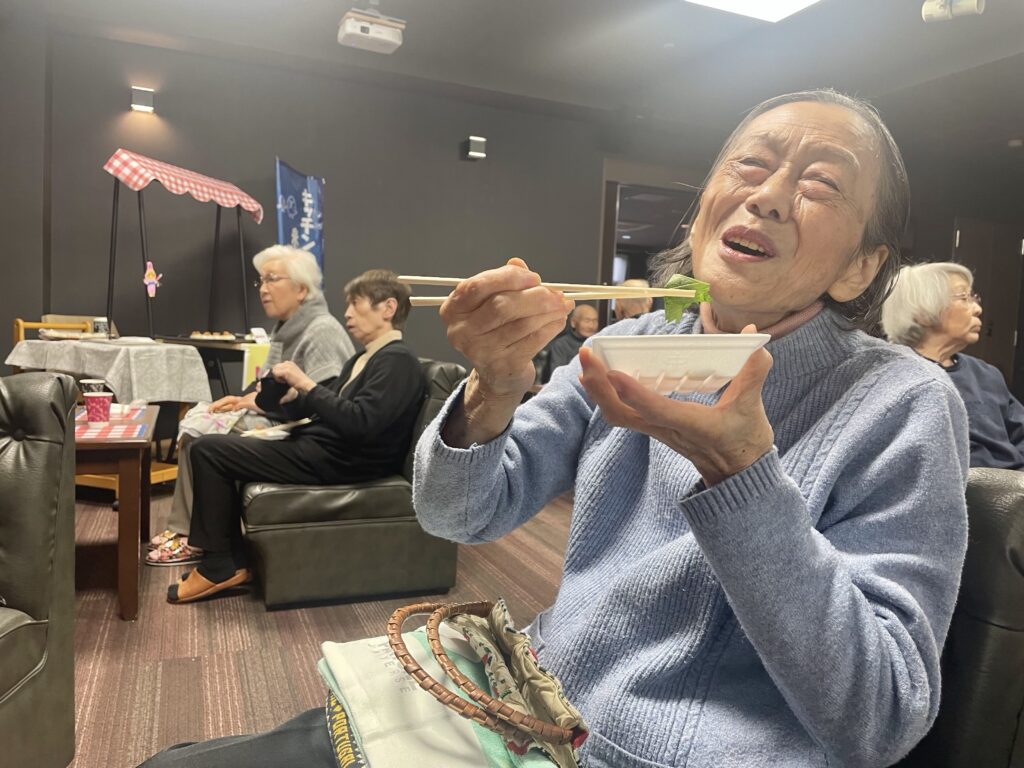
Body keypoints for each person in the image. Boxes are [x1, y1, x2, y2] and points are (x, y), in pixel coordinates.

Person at [137, 90, 969, 768]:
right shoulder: (625, 347)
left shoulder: (901, 401)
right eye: (750, 164)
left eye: (821, 184)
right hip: (521, 701)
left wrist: (744, 474)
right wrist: (495, 388)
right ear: (705, 209)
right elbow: (459, 516)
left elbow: (881, 718)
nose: (770, 194)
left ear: (861, 267)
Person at [165, 268, 425, 604]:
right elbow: (332, 408)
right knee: (212, 448)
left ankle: (220, 565)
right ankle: (229, 559)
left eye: (356, 304)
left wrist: (306, 384)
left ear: (388, 308)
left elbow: (362, 423)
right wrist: (290, 398)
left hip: (345, 461)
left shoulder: (398, 361)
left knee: (209, 451)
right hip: (328, 449)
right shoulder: (364, 359)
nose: (347, 313)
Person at [147, 245, 355, 565]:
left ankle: (192, 535)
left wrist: (256, 404)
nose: (263, 289)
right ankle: (187, 528)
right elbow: (269, 385)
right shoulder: (289, 325)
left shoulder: (322, 330)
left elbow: (321, 402)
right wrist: (244, 399)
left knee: (200, 434)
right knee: (201, 416)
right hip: (284, 419)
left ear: (301, 289)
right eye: (261, 281)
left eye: (272, 279)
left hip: (305, 433)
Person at [881, 261, 1024, 468]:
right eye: (964, 297)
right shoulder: (891, 376)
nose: (978, 309)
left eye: (974, 298)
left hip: (1012, 483)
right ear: (922, 311)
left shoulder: (985, 373)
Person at [538, 303, 598, 383]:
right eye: (587, 321)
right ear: (573, 322)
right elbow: (558, 376)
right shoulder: (561, 344)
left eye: (594, 321)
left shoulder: (597, 342)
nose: (591, 326)